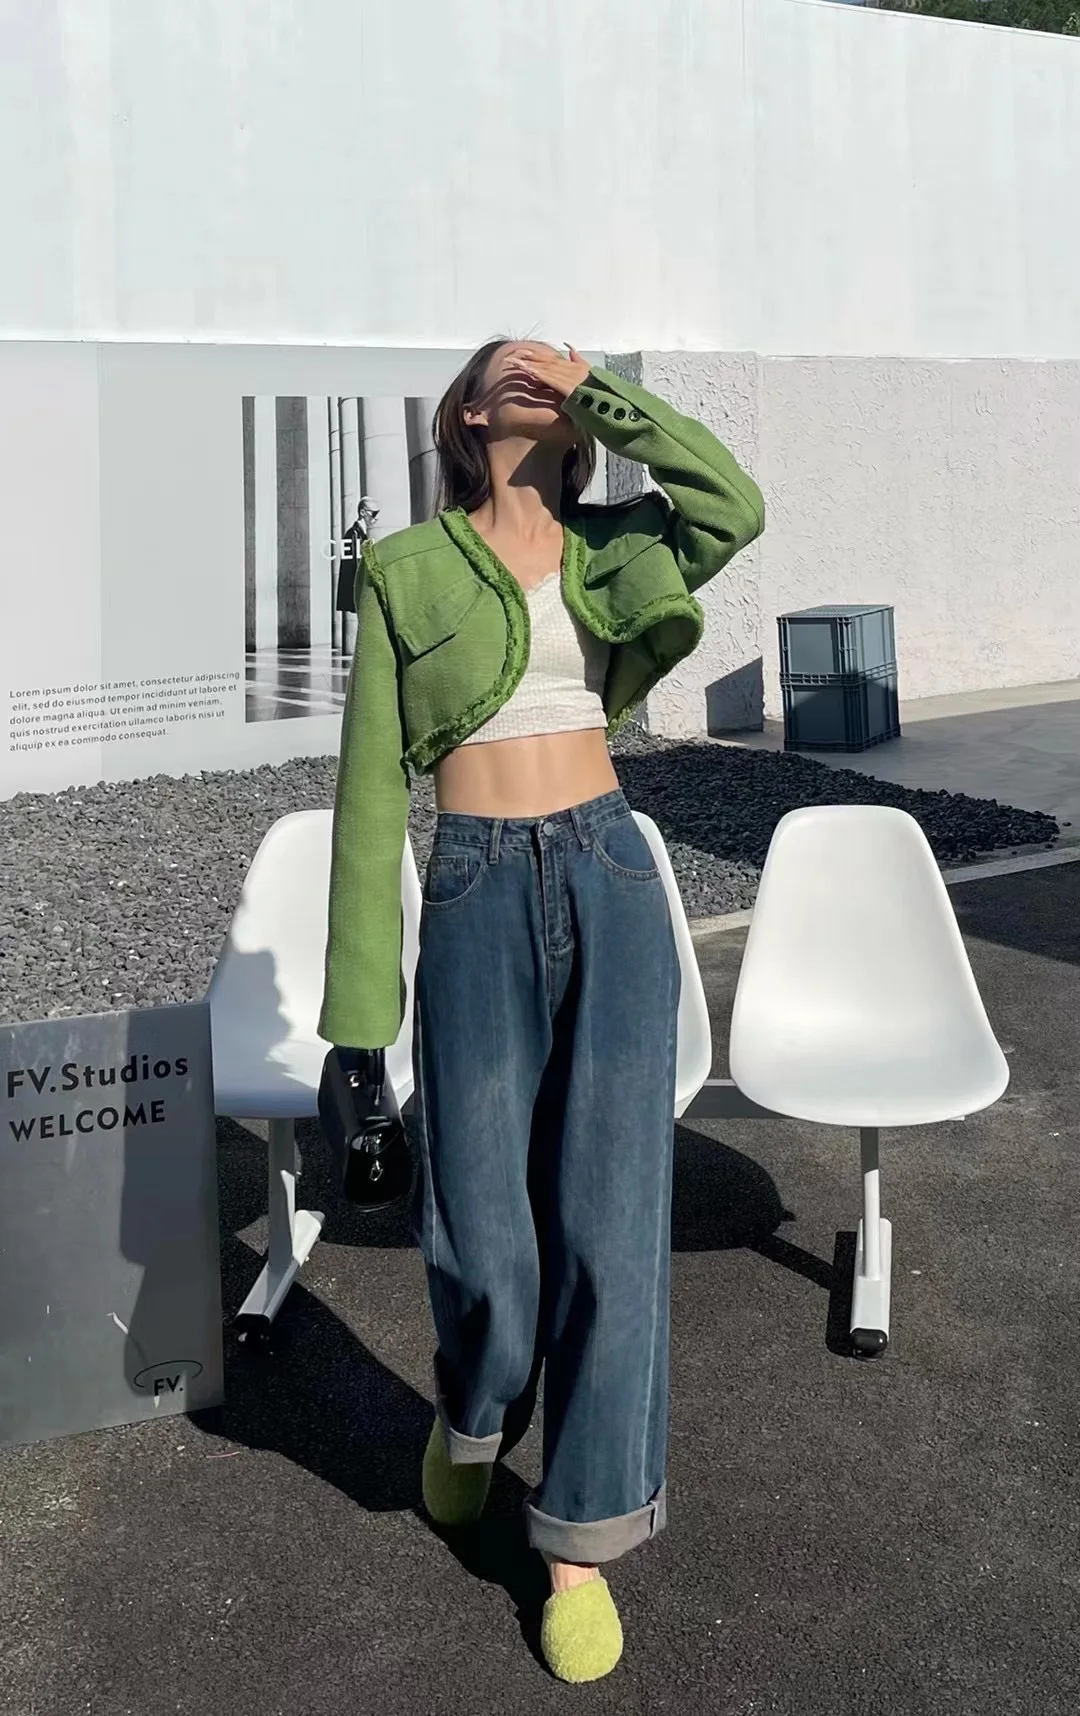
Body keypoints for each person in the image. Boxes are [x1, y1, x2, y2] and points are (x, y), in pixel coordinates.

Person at [318, 339, 764, 1684]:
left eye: (554, 364)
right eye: (508, 364)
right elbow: (369, 794)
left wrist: (605, 394)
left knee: (612, 1223)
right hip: (471, 888)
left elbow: (735, 504)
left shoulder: (621, 544)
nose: (537, 367)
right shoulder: (406, 568)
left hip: (611, 874)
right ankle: (473, 1409)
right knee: (483, 1228)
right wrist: (356, 1019)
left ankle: (579, 1544)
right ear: (466, 411)